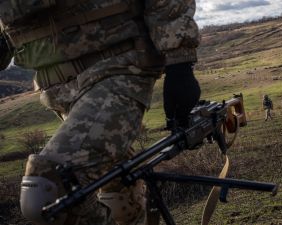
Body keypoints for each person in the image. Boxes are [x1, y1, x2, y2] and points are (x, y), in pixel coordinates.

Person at [0, 1, 200, 224]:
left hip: (120, 66)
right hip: (59, 90)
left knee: (48, 191)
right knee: (119, 193)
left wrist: (180, 61)